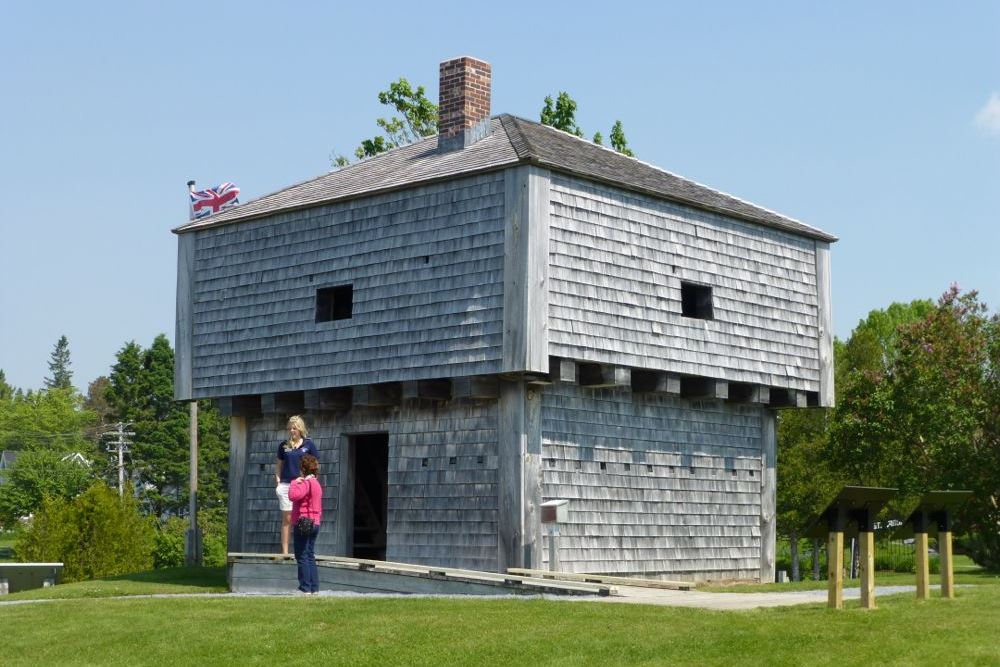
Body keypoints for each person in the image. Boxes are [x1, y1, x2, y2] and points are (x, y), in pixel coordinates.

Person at [275, 415, 318, 555]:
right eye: (290, 428)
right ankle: (285, 552)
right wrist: (278, 481)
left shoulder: (308, 444)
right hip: (287, 485)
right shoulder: (284, 445)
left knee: (302, 517)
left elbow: (315, 465)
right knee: (287, 518)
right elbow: (279, 465)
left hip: (302, 484)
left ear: (300, 429)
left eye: (294, 428)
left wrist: (312, 480)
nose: (292, 431)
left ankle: (302, 550)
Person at [288, 453, 322, 594]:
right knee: (309, 554)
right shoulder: (316, 483)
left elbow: (293, 496)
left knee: (301, 555)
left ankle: (305, 588)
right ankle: (314, 587)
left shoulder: (305, 483)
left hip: (304, 521)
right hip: (315, 522)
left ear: (303, 469)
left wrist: (294, 482)